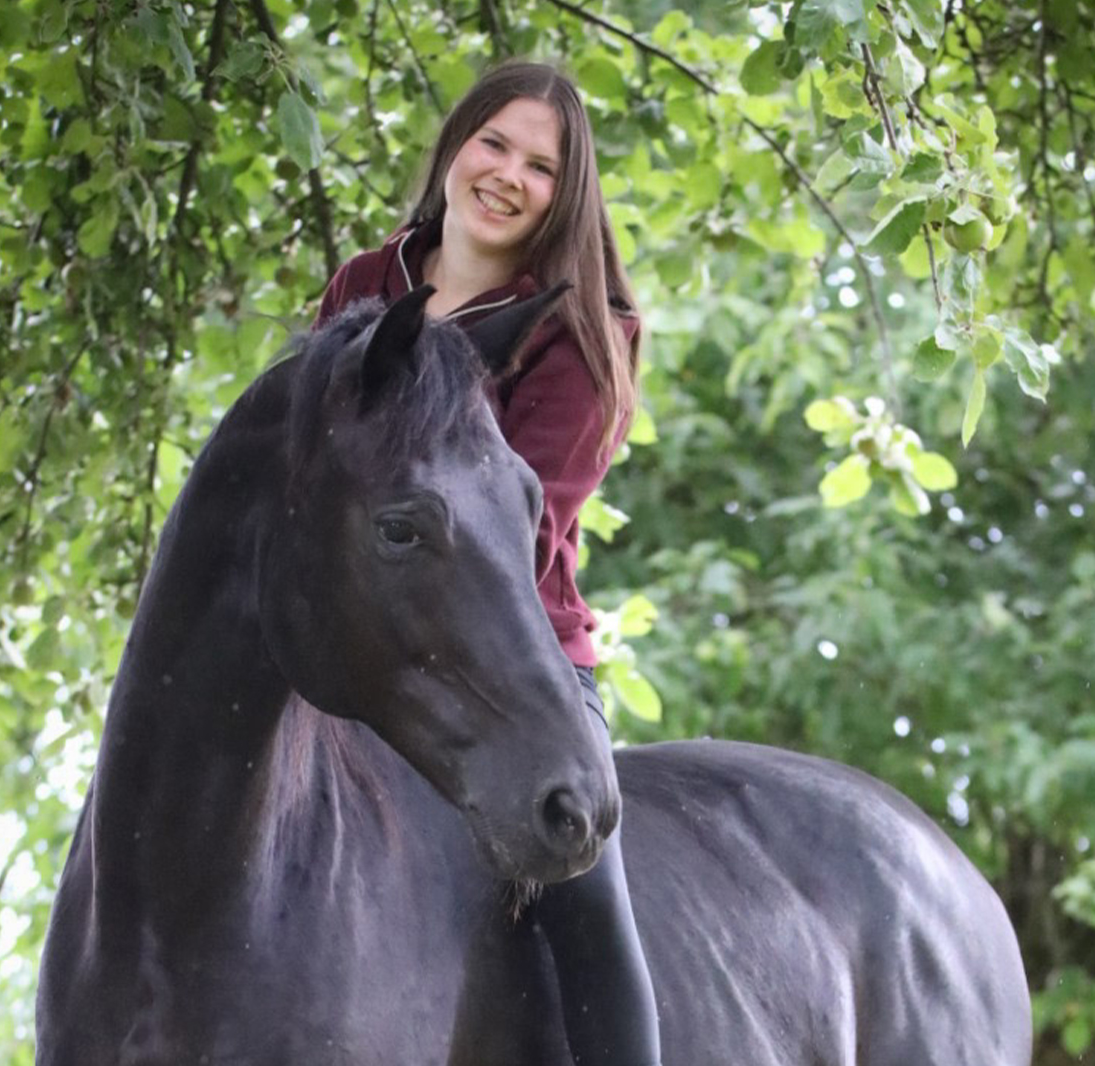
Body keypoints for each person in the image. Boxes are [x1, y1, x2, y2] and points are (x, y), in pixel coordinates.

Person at [313, 61, 662, 1066]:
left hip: (514, 658)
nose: (507, 174)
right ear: (456, 146)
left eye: (541, 165)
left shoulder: (583, 336)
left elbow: (522, 536)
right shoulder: (363, 286)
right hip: (355, 645)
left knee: (583, 900)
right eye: (494, 143)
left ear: (568, 193)